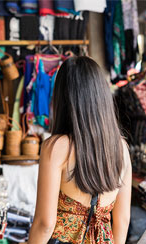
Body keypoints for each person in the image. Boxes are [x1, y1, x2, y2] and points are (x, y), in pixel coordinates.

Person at [28, 56, 132, 244]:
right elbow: (122, 220)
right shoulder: (121, 148)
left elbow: (45, 223)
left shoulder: (56, 147)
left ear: (63, 98)